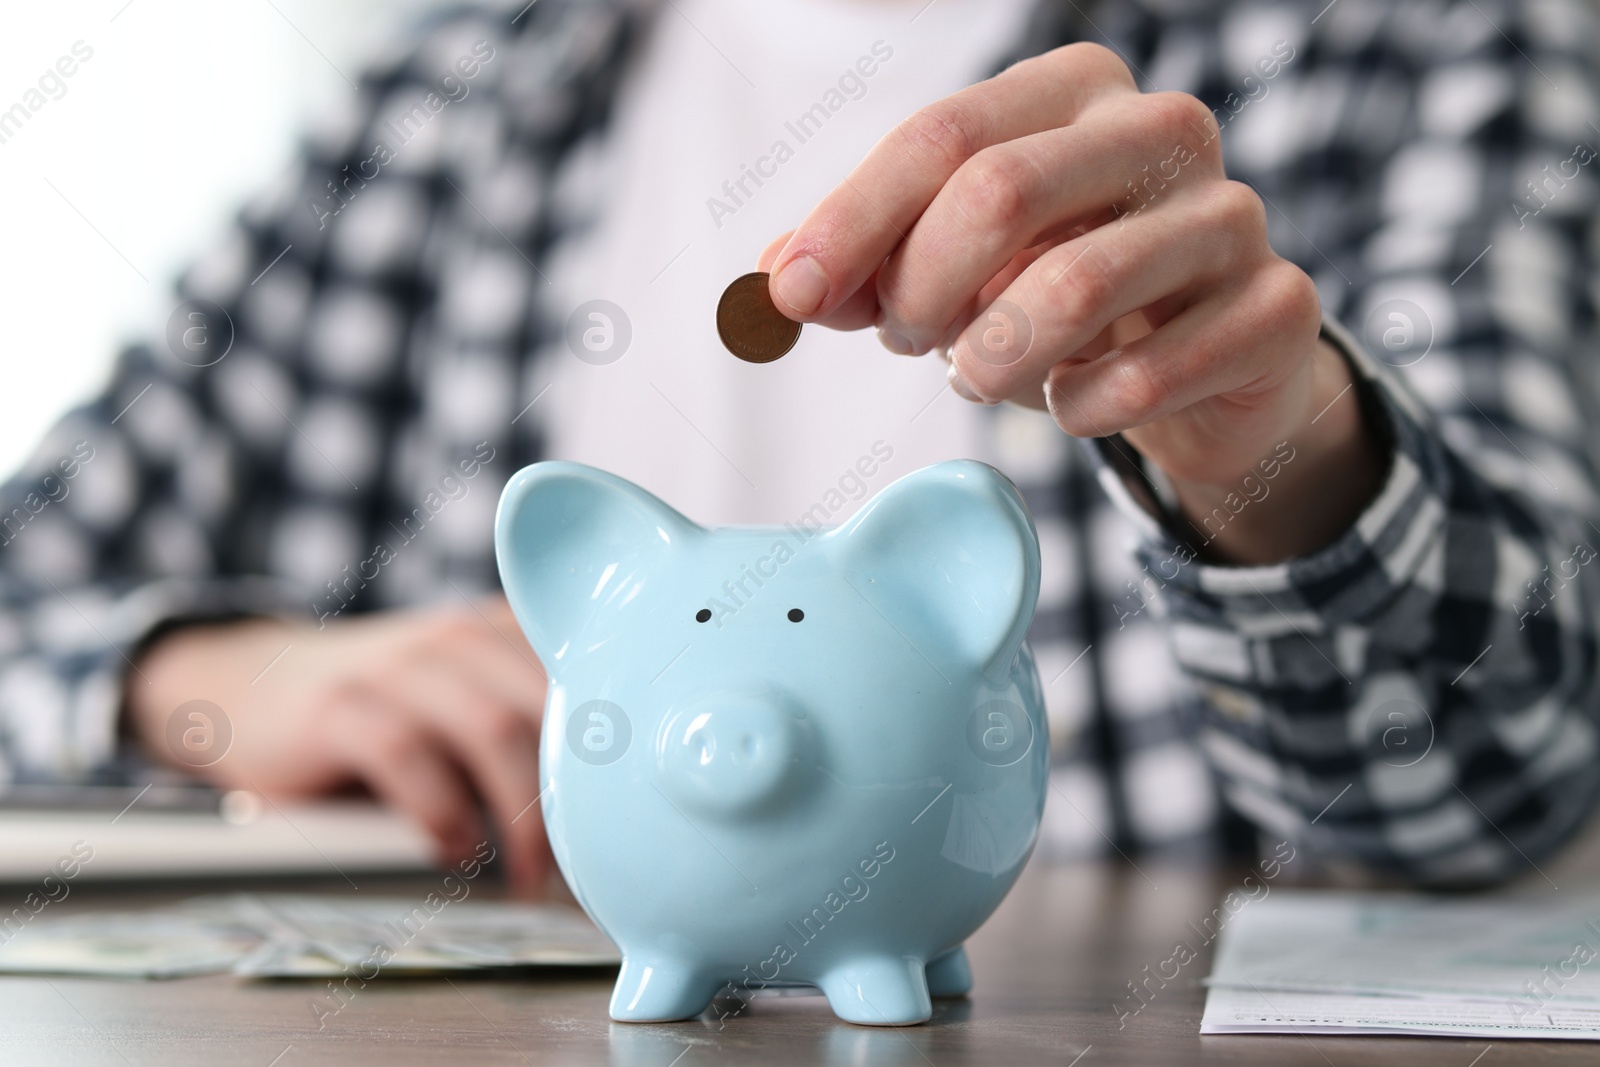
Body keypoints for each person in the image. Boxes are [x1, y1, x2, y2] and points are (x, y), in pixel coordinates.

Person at [2, 0, 1596, 895]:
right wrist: (213, 679)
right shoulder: (446, 103)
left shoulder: (1425, 39)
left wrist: (1278, 462)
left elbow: (1496, 784)